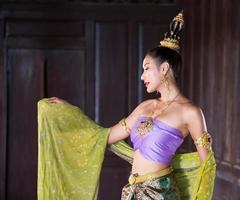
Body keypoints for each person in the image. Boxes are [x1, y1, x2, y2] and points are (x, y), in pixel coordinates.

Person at [40, 11, 215, 200]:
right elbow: (105, 136)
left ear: (164, 69)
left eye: (147, 68)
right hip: (132, 192)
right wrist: (68, 112)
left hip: (162, 193)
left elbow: (208, 165)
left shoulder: (191, 112)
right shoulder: (144, 107)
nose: (142, 76)